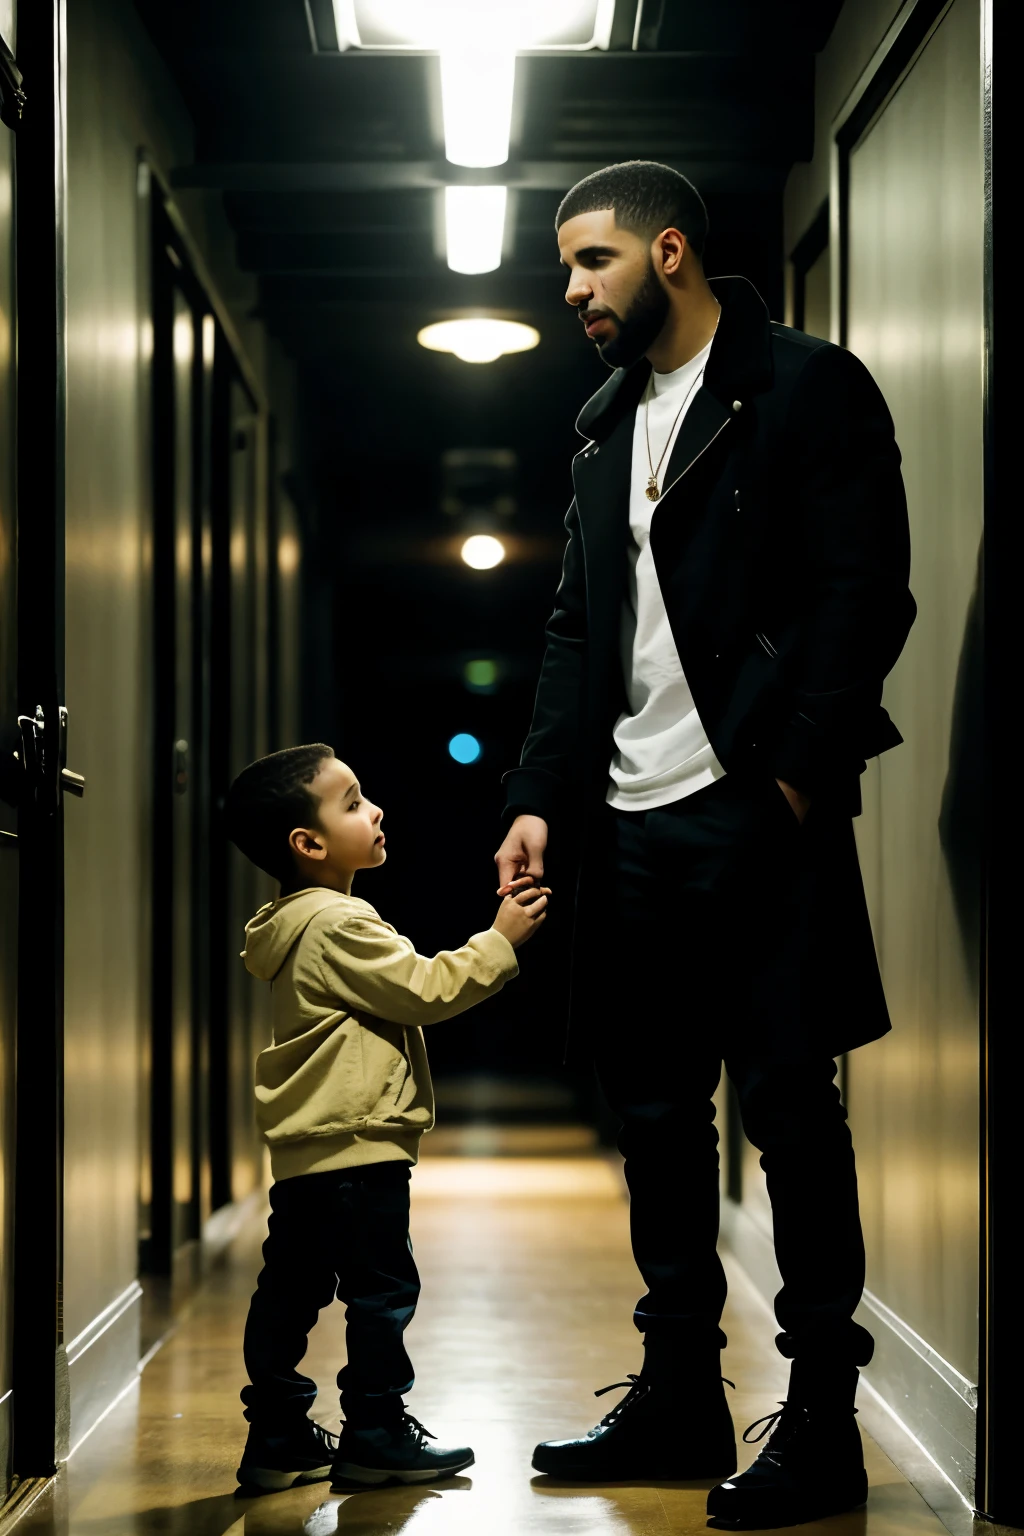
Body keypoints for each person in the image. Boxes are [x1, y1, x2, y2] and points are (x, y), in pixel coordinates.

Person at [494, 161, 915, 1528]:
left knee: (792, 1115)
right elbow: (576, 629)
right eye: (566, 268)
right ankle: (679, 1393)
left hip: (753, 810)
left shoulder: (803, 385)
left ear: (670, 252)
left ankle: (824, 1418)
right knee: (660, 1125)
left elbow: (867, 590)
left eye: (594, 261)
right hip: (623, 828)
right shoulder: (605, 420)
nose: (573, 291)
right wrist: (540, 795)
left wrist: (797, 772)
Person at [225, 743, 549, 1493]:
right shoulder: (339, 921)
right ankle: (375, 1427)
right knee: (380, 1292)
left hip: (309, 1151)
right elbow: (426, 990)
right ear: (307, 845)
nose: (375, 811)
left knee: (291, 1288)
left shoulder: (285, 922)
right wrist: (501, 939)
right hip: (359, 1146)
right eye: (351, 802)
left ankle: (275, 1433)